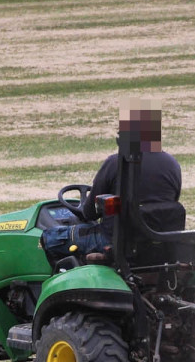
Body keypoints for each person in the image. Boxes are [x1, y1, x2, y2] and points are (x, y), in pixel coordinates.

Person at [44, 103, 183, 262]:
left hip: (118, 240)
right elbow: (172, 202)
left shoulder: (115, 163)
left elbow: (89, 213)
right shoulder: (172, 164)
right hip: (158, 241)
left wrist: (87, 208)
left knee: (51, 238)